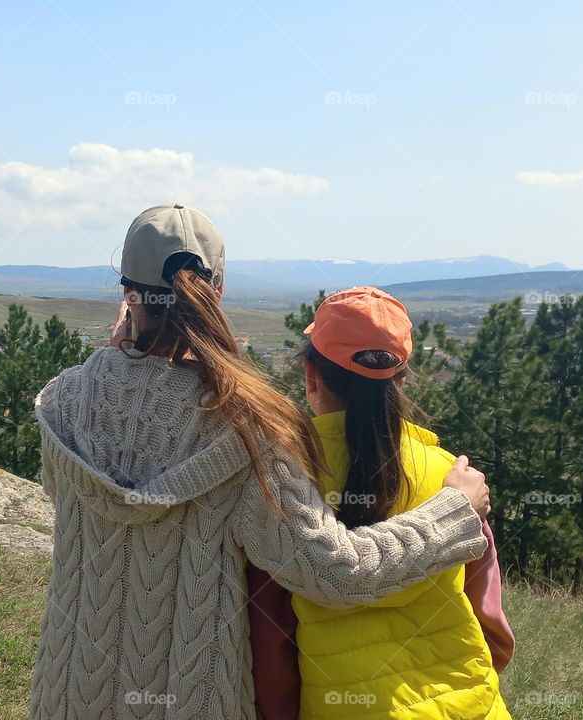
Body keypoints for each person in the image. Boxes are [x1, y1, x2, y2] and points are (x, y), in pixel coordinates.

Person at [30, 205, 491, 720]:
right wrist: (456, 510)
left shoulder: (64, 401)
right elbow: (337, 574)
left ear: (127, 293)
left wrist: (120, 359)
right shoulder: (248, 430)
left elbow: (85, 479)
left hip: (67, 692)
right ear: (217, 293)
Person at [249, 286, 514, 720]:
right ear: (402, 379)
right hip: (472, 704)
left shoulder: (284, 483)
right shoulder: (454, 478)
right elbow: (488, 614)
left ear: (312, 377)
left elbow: (271, 634)